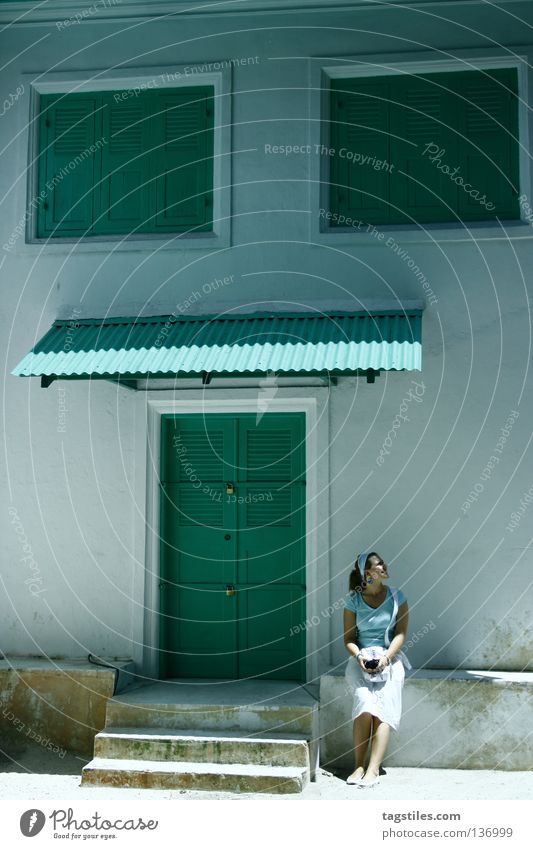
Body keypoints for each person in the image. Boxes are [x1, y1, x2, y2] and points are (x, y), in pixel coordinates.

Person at [343, 550, 410, 788]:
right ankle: (358, 765)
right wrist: (360, 656)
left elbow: (401, 634)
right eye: (379, 565)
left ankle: (373, 769)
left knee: (383, 710)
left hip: (390, 660)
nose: (384, 566)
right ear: (368, 573)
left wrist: (386, 658)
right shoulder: (353, 600)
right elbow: (349, 638)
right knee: (364, 705)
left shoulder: (397, 597)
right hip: (359, 661)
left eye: (383, 562)